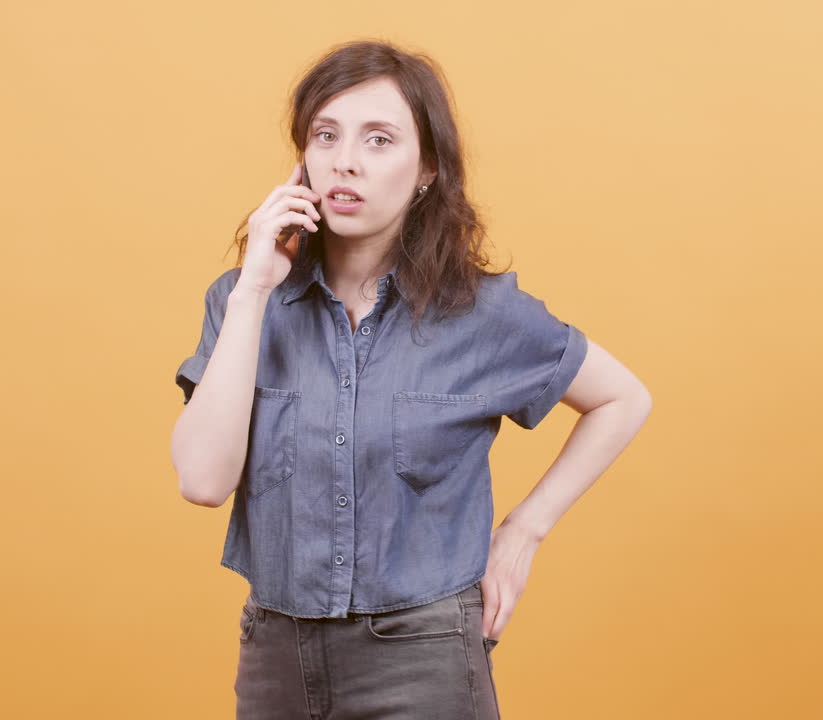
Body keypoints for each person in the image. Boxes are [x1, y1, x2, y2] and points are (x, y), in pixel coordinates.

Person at [171, 40, 652, 720]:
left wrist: (523, 532)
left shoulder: (479, 312)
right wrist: (253, 290)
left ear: (426, 167)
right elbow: (202, 482)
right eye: (326, 135)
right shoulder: (243, 300)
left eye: (379, 139)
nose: (345, 160)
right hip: (275, 660)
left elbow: (623, 398)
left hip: (422, 662)